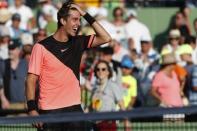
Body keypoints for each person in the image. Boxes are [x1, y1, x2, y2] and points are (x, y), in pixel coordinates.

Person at [25, 1, 111, 131]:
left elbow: (106, 37)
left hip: (74, 110)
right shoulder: (41, 47)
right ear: (63, 21)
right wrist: (32, 109)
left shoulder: (79, 42)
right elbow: (31, 80)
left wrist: (84, 14)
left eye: (79, 20)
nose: (78, 23)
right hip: (49, 112)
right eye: (74, 19)